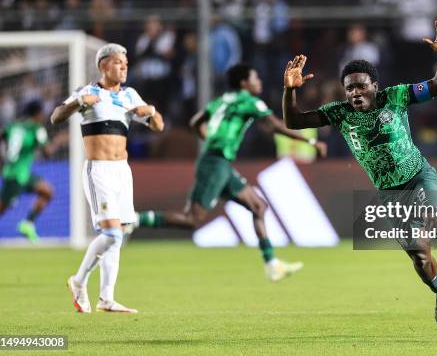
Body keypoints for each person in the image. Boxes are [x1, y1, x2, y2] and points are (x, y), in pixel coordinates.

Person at [282, 21, 437, 329]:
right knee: (420, 259)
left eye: (361, 85)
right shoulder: (339, 113)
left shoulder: (397, 97)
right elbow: (294, 122)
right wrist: (289, 91)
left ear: (375, 86)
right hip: (391, 193)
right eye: (349, 87)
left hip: (419, 175)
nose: (355, 92)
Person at [137, 63, 327, 282]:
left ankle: (272, 264)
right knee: (192, 219)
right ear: (245, 83)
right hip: (214, 163)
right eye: (256, 78)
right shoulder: (249, 101)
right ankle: (134, 220)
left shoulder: (222, 100)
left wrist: (208, 138)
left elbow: (195, 122)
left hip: (220, 163)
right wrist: (311, 141)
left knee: (258, 206)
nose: (260, 82)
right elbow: (274, 125)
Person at [50, 43, 164, 314]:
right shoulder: (87, 92)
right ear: (103, 66)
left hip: (122, 171)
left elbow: (159, 127)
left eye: (125, 63)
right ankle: (78, 282)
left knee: (119, 234)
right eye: (118, 63)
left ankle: (106, 298)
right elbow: (56, 117)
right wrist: (78, 103)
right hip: (98, 170)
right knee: (111, 232)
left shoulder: (130, 95)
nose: (123, 67)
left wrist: (151, 112)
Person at [0, 100, 66, 243]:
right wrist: (58, 141)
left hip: (20, 174)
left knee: (47, 191)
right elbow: (47, 153)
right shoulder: (37, 129)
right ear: (38, 114)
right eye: (42, 113)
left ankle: (28, 223)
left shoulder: (14, 125)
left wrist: (1, 162)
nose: (43, 116)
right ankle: (28, 223)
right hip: (16, 176)